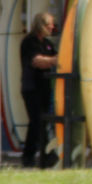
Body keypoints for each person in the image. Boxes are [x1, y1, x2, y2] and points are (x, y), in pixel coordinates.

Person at [20, 12, 60, 169]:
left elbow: (54, 56)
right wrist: (57, 60)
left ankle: (41, 157)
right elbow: (37, 61)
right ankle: (33, 156)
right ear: (41, 25)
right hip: (31, 88)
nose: (52, 27)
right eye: (49, 24)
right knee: (37, 121)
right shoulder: (29, 42)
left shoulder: (47, 43)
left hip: (44, 88)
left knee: (41, 122)